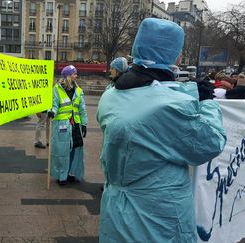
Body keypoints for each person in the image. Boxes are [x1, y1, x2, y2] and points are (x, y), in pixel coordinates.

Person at [96, 18, 226, 242]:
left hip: (116, 210)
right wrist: (207, 104)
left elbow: (146, 108)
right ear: (173, 55)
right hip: (157, 216)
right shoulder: (170, 105)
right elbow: (209, 143)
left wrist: (189, 94)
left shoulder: (110, 95)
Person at [48, 65, 88, 185]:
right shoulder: (57, 89)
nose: (76, 76)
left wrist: (84, 124)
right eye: (74, 74)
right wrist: (52, 112)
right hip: (62, 125)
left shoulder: (79, 91)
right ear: (68, 76)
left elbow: (82, 109)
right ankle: (61, 176)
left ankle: (71, 174)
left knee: (75, 150)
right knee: (62, 151)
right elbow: (55, 104)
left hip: (75, 126)